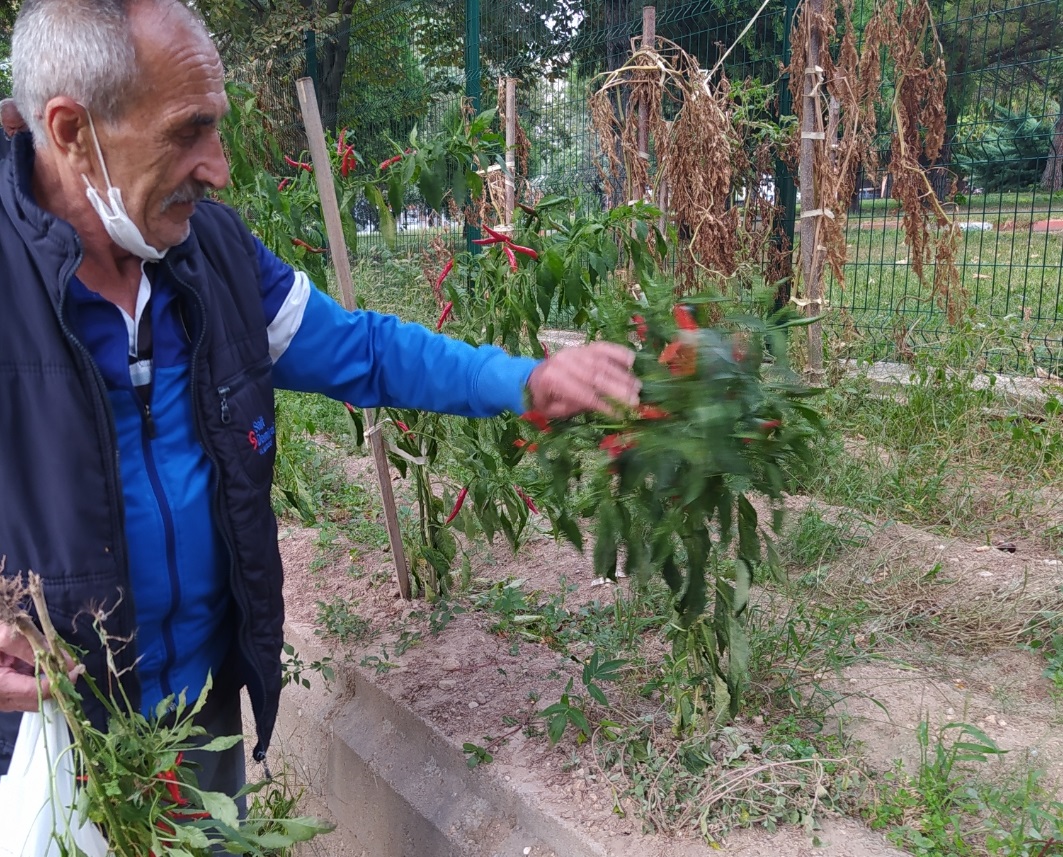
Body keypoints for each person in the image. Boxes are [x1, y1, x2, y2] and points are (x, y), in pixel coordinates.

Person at [0, 0, 640, 801]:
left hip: (198, 716)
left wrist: (523, 381)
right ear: (69, 131)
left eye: (216, 128)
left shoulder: (214, 258)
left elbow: (362, 350)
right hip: (41, 747)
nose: (218, 167)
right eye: (186, 131)